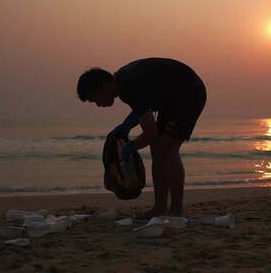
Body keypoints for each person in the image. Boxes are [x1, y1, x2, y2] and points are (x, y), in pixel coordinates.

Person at [76, 57, 207, 218]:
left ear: (103, 87)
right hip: (170, 98)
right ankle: (160, 208)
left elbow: (150, 133)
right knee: (158, 150)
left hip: (188, 93)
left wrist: (130, 147)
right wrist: (127, 125)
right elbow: (143, 107)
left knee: (167, 147)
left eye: (94, 99)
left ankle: (176, 209)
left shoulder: (129, 85)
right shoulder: (123, 83)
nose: (97, 104)